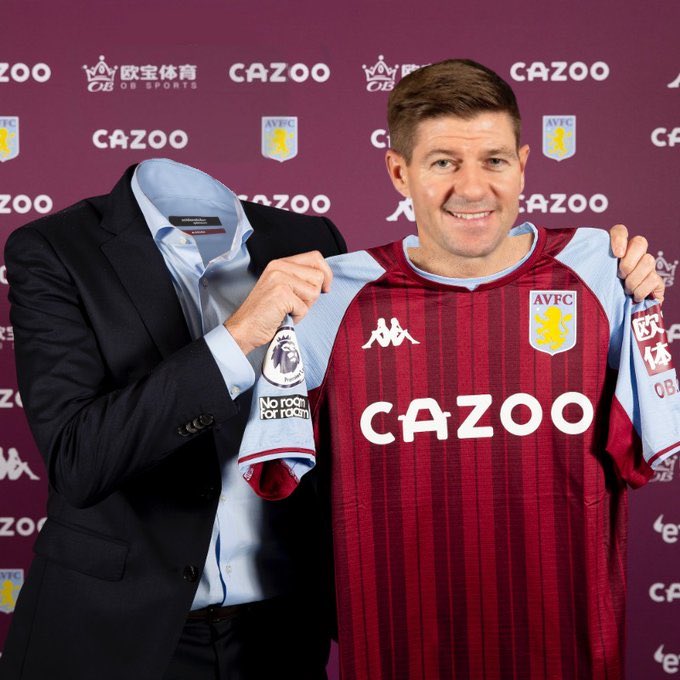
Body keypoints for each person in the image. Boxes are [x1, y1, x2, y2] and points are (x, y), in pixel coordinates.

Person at [235, 60, 680, 680]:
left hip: (567, 654)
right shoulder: (327, 301)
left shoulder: (605, 274)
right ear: (399, 172)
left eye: (494, 160)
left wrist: (642, 304)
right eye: (444, 162)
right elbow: (275, 474)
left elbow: (647, 452)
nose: (472, 189)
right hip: (399, 654)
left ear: (523, 164)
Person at [0, 159, 342, 680]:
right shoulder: (55, 249)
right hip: (114, 635)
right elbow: (78, 460)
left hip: (281, 636)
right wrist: (237, 337)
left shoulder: (309, 238)